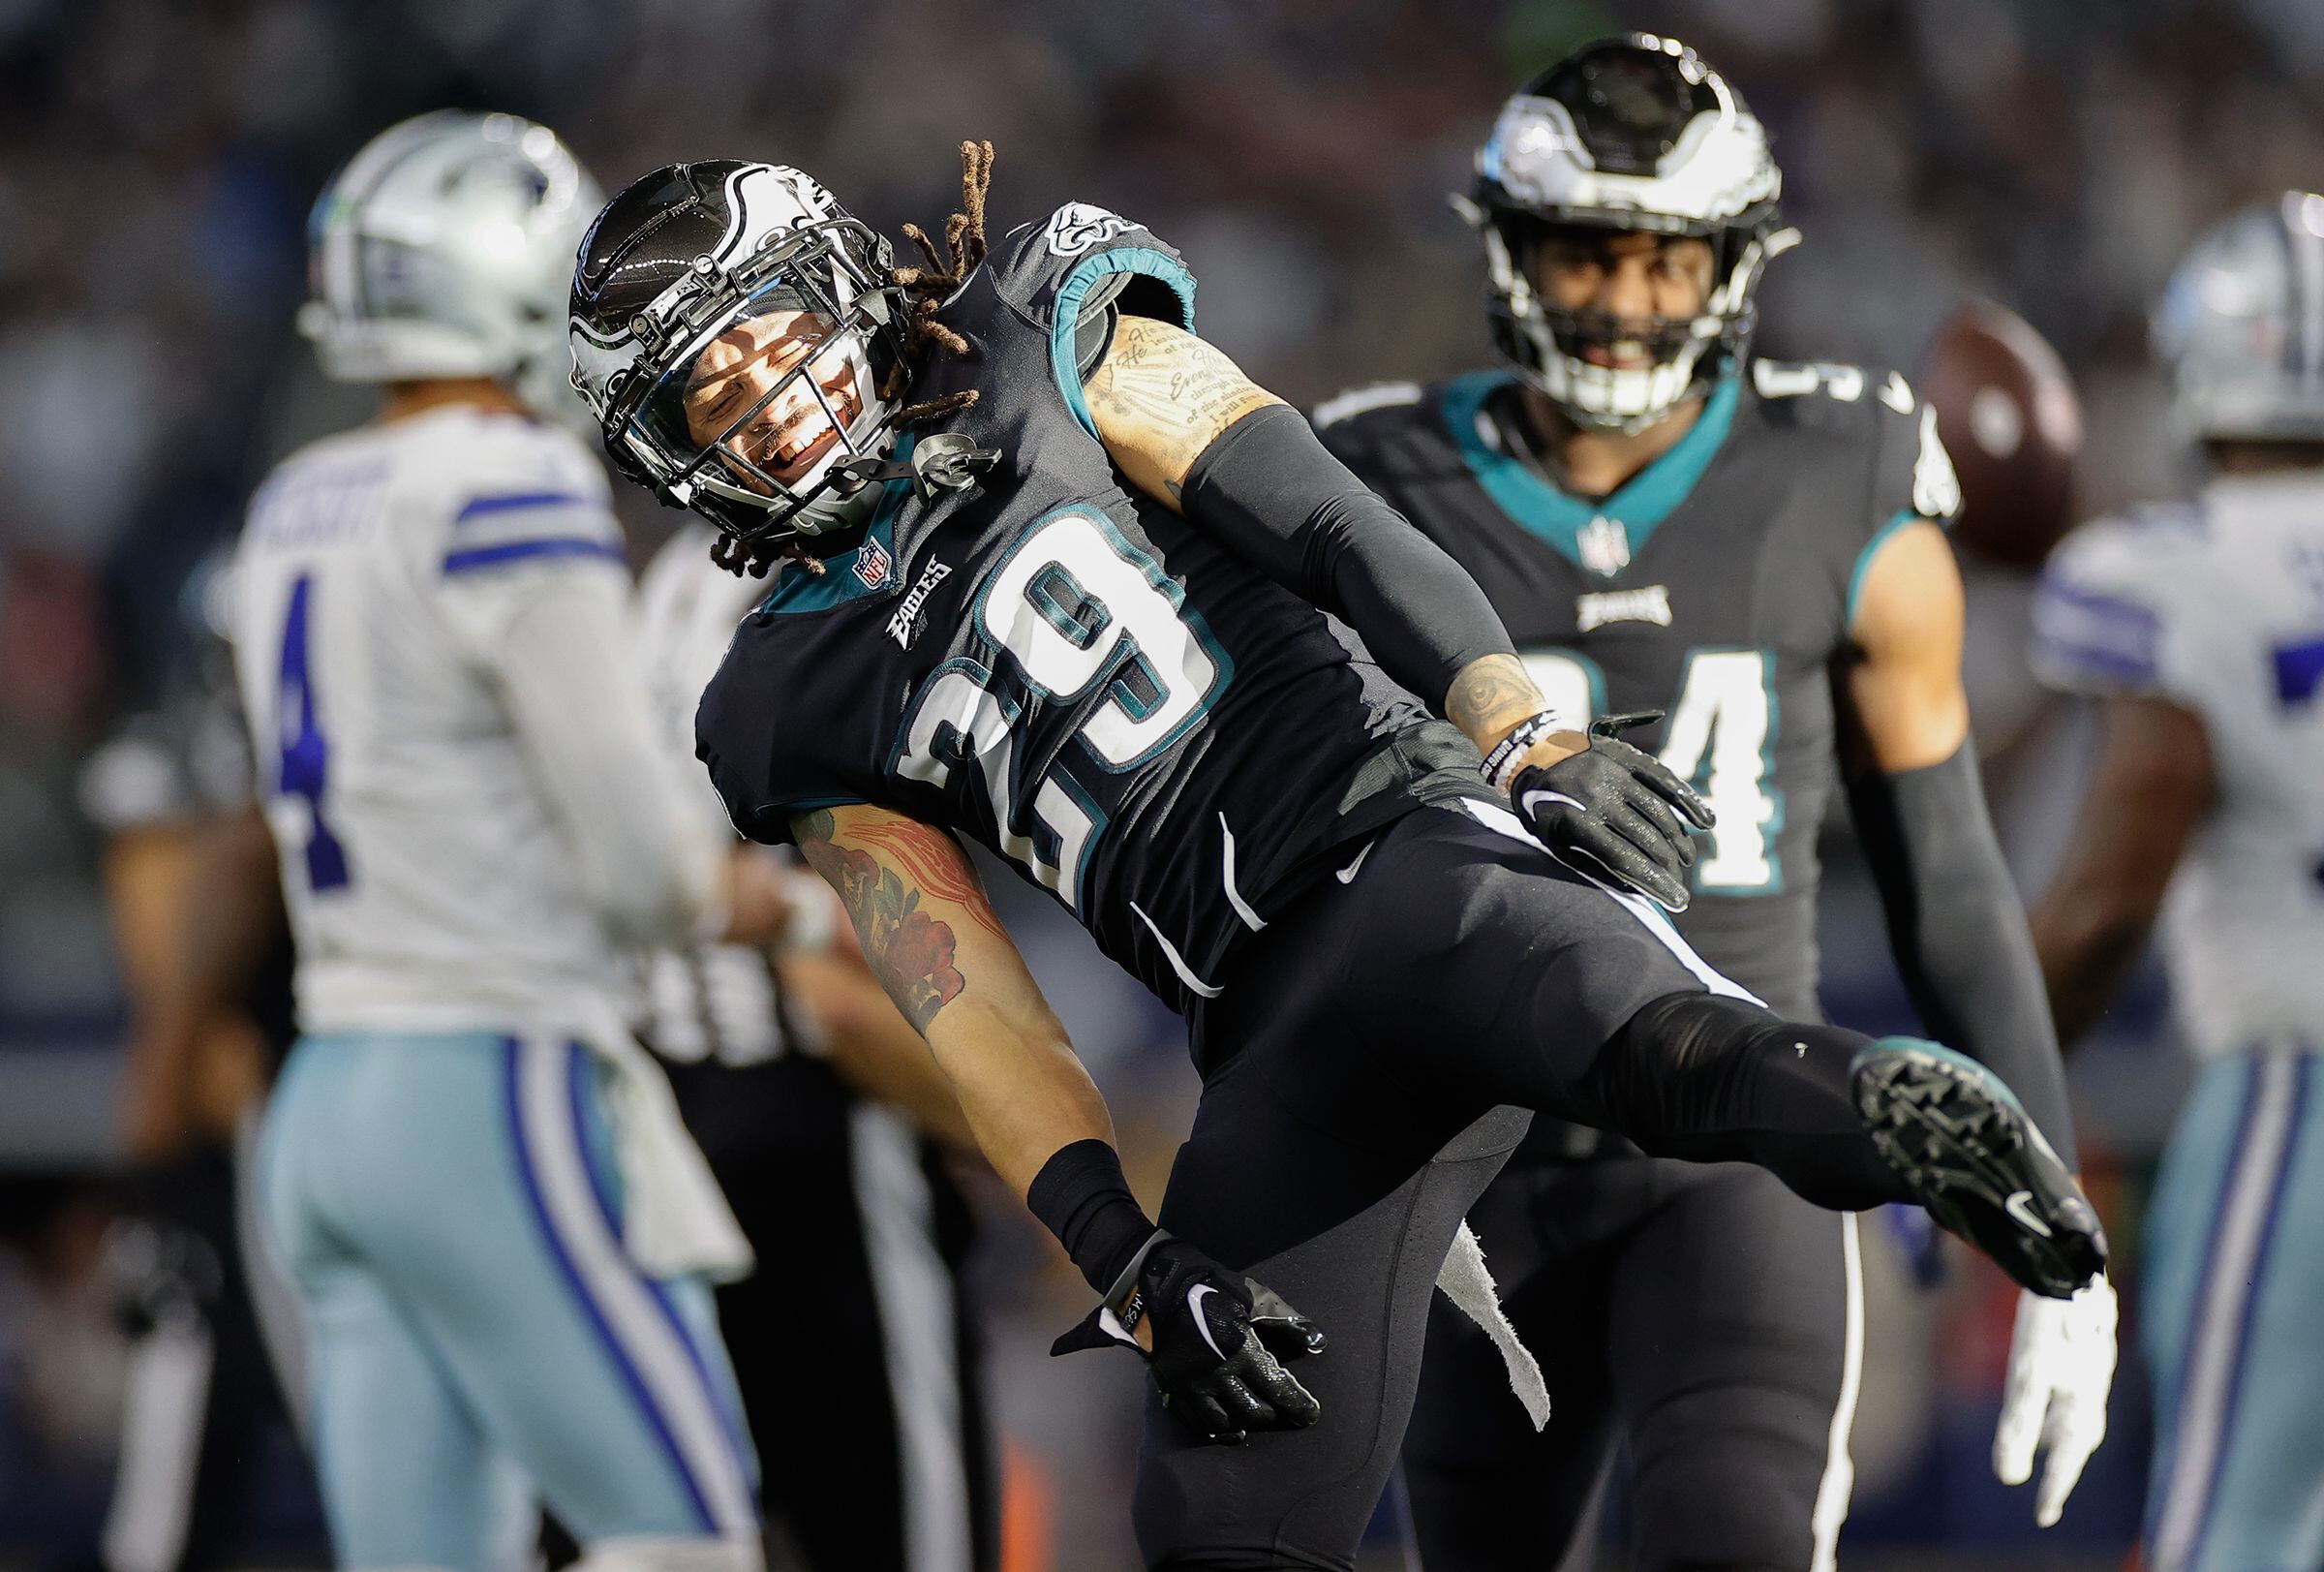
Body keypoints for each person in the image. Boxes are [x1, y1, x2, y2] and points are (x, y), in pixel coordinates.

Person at [566, 145, 2103, 1572]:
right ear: (671, 455)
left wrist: (1520, 732)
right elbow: (962, 993)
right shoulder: (780, 698)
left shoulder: (1036, 329)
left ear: (838, 284)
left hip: (1404, 844)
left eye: (770, 339)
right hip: (1264, 1032)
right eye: (711, 397)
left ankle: (1902, 1114)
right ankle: (1871, 1107)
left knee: (1661, 1043)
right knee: (1217, 1517)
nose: (766, 404)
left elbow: (1327, 520)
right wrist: (1121, 1252)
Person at [1312, 37, 2116, 1567]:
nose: (1623, 301)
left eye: (1664, 261)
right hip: (1469, 1160)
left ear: (1734, 267)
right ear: (1509, 248)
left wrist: (2050, 1207)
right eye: (1585, 253)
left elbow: (1947, 876)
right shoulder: (1371, 479)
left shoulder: (1841, 470)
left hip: (1745, 1152)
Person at [232, 111, 786, 1572]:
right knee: (688, 1539)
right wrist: (771, 905)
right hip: (487, 1079)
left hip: (327, 1096)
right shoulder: (508, 482)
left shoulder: (291, 503)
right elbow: (646, 875)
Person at [2029, 193, 2324, 1572]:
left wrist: (1985, 1061)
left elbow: (2111, 891)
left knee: (2236, 1535)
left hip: (2299, 1093)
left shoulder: (2172, 571)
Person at [631, 518, 997, 1572]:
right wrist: (1051, 1159)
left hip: (671, 1132)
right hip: (826, 1142)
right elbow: (834, 986)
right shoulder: (843, 582)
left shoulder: (670, 584)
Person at [78, 561, 327, 1572]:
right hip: (258, 1118)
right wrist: (163, 1129)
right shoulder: (178, 769)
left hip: (306, 1100)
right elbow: (175, 989)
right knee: (176, 1502)